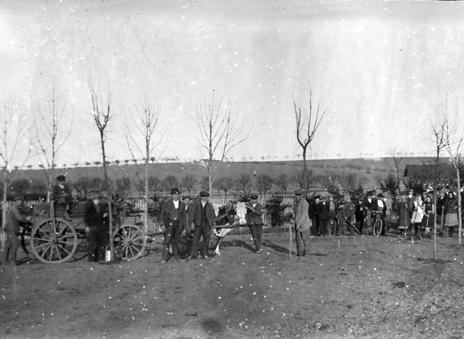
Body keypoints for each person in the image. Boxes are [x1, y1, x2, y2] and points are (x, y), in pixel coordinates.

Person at [160, 188, 186, 263]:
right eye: (173, 195)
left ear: (179, 195)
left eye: (176, 194)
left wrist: (184, 228)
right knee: (167, 241)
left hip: (178, 225)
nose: (175, 196)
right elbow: (162, 214)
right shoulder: (166, 203)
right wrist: (162, 225)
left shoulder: (182, 204)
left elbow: (184, 217)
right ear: (171, 195)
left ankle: (177, 257)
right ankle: (164, 258)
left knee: (176, 242)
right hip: (169, 224)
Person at [2, 197, 32, 265]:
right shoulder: (14, 209)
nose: (20, 202)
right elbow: (19, 218)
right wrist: (27, 219)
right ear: (15, 201)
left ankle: (4, 261)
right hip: (11, 228)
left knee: (8, 245)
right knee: (15, 244)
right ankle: (12, 261)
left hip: (11, 228)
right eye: (19, 201)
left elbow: (19, 219)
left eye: (21, 201)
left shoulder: (16, 208)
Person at [83, 190, 109, 262]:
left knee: (98, 243)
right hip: (91, 225)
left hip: (99, 226)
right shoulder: (88, 204)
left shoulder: (101, 205)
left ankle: (96, 259)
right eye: (95, 197)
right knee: (92, 243)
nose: (97, 199)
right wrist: (87, 226)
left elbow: (103, 213)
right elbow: (85, 216)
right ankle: (90, 259)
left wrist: (105, 215)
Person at [189, 191, 216, 259]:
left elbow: (212, 215)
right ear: (201, 197)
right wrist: (192, 223)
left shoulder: (209, 205)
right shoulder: (195, 204)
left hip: (206, 225)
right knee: (195, 239)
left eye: (207, 197)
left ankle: (205, 254)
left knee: (206, 239)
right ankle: (193, 254)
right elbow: (192, 214)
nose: (205, 198)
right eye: (204, 197)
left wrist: (213, 224)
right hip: (198, 224)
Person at [292, 189, 311, 256]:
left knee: (305, 239)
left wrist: (299, 224)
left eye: (298, 195)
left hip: (304, 224)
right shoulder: (295, 203)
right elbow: (294, 212)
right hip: (297, 224)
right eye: (296, 195)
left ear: (301, 195)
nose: (297, 197)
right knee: (298, 240)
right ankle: (300, 253)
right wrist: (292, 218)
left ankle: (307, 253)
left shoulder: (305, 203)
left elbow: (304, 215)